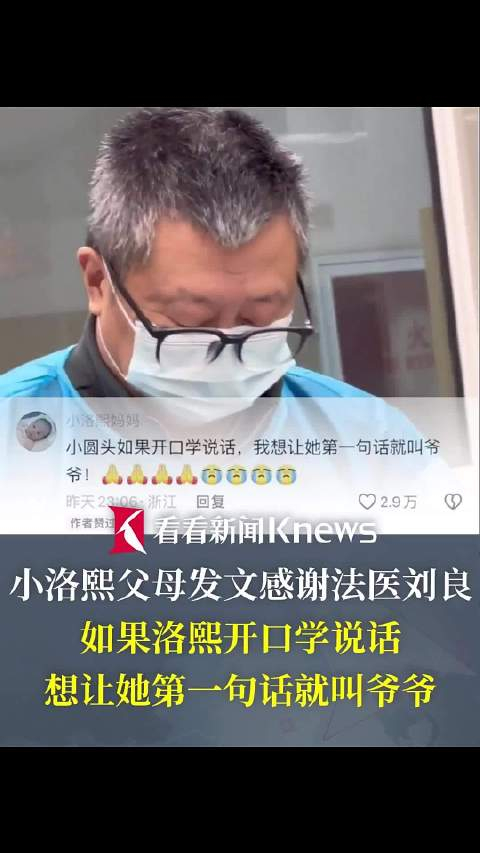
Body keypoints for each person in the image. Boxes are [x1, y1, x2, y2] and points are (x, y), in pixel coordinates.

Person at [0, 107, 372, 413]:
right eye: (191, 320)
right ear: (98, 281)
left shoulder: (367, 440)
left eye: (258, 315)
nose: (228, 356)